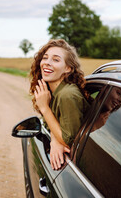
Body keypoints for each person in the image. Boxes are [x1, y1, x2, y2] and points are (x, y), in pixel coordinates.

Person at [29, 39, 90, 170]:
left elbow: (69, 141)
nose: (47, 63)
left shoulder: (67, 95)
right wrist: (54, 139)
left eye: (56, 60)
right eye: (45, 58)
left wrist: (45, 108)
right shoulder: (54, 93)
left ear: (67, 68)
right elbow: (54, 125)